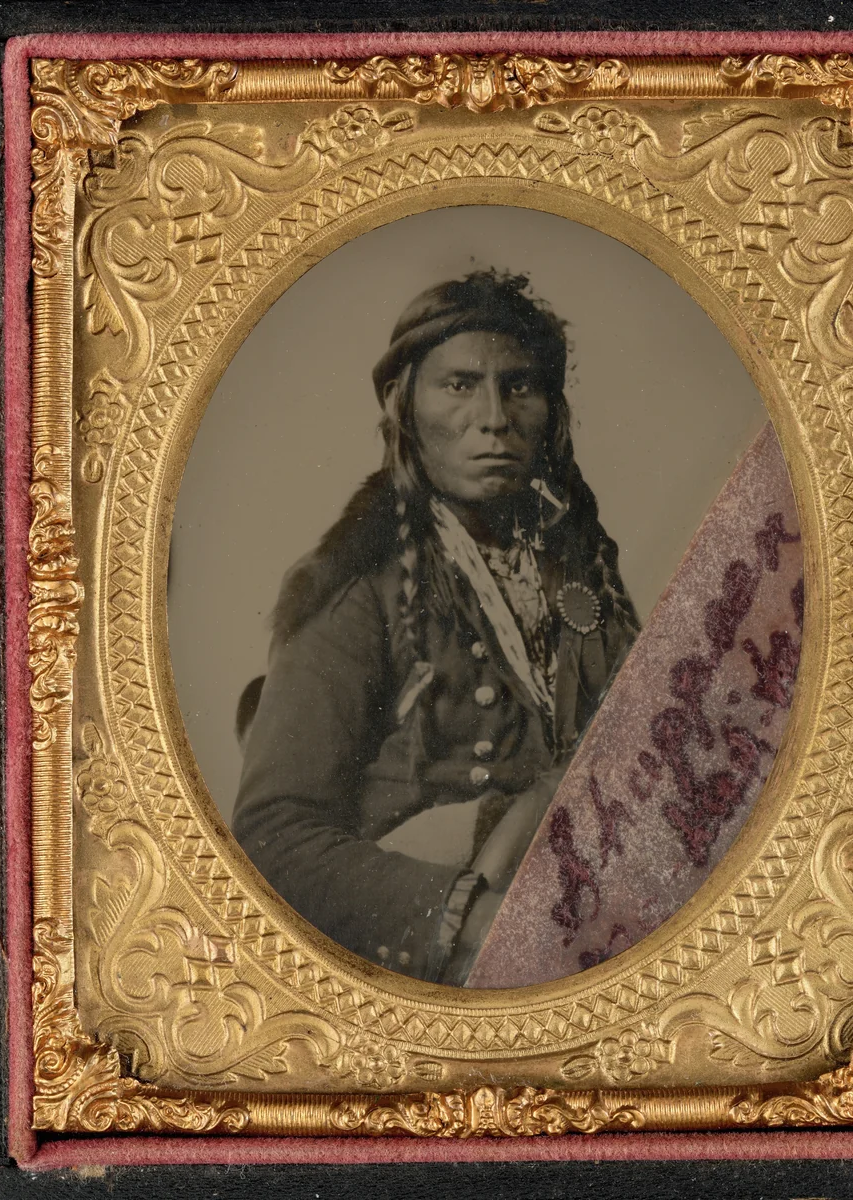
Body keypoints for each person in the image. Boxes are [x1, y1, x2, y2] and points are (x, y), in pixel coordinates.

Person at [232, 269, 639, 984]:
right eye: (458, 384)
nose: (493, 417)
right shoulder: (357, 589)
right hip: (433, 970)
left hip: (590, 932)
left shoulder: (584, 575)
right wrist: (464, 919)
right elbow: (274, 837)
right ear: (405, 407)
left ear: (551, 411)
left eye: (519, 386)